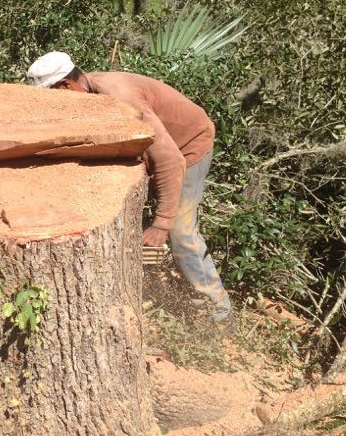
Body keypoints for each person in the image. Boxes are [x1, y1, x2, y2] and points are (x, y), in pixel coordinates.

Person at [26, 51, 233, 327]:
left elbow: (170, 160)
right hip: (159, 149)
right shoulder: (87, 95)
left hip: (187, 146)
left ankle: (218, 311)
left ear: (65, 85)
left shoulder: (121, 100)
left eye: (51, 98)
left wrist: (161, 223)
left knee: (180, 230)